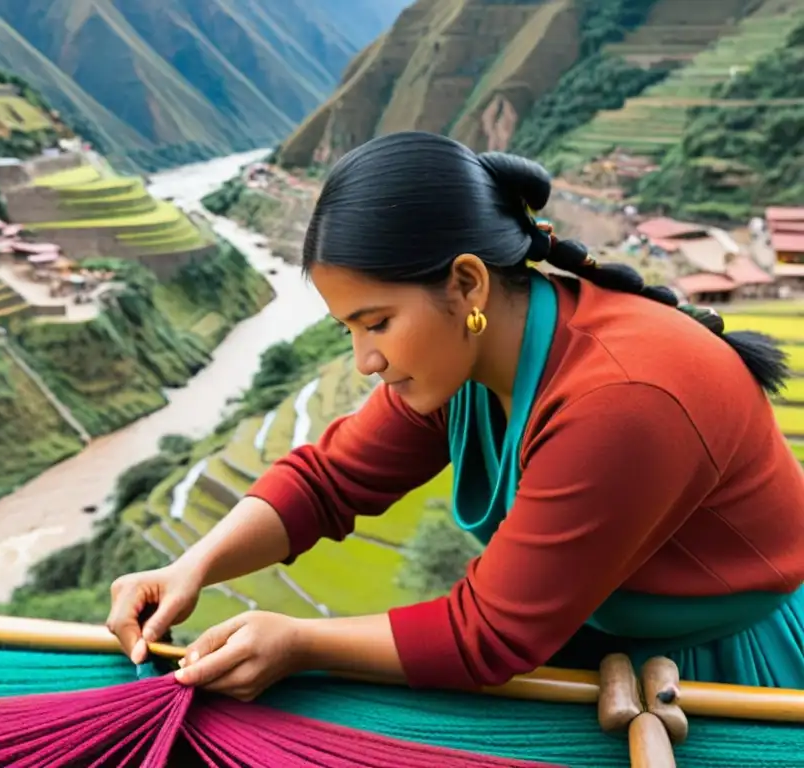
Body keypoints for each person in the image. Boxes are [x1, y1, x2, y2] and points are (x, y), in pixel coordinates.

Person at [106, 131, 804, 702]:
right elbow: (328, 482)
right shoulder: (469, 354)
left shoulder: (620, 400)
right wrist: (192, 566)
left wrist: (300, 641)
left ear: (466, 282)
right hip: (592, 648)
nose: (364, 361)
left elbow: (490, 633)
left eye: (375, 323)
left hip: (724, 675)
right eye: (349, 330)